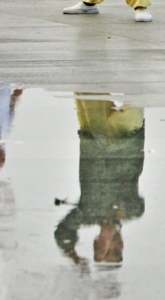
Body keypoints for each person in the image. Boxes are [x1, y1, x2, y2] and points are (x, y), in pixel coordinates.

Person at [54, 95, 145, 265]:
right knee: (136, 93)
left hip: (94, 138)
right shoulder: (133, 211)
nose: (112, 245)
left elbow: (63, 232)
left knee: (87, 88)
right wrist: (110, 227)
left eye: (106, 250)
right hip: (128, 140)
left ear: (96, 244)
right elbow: (135, 205)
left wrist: (73, 256)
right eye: (116, 250)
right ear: (123, 245)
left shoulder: (87, 214)